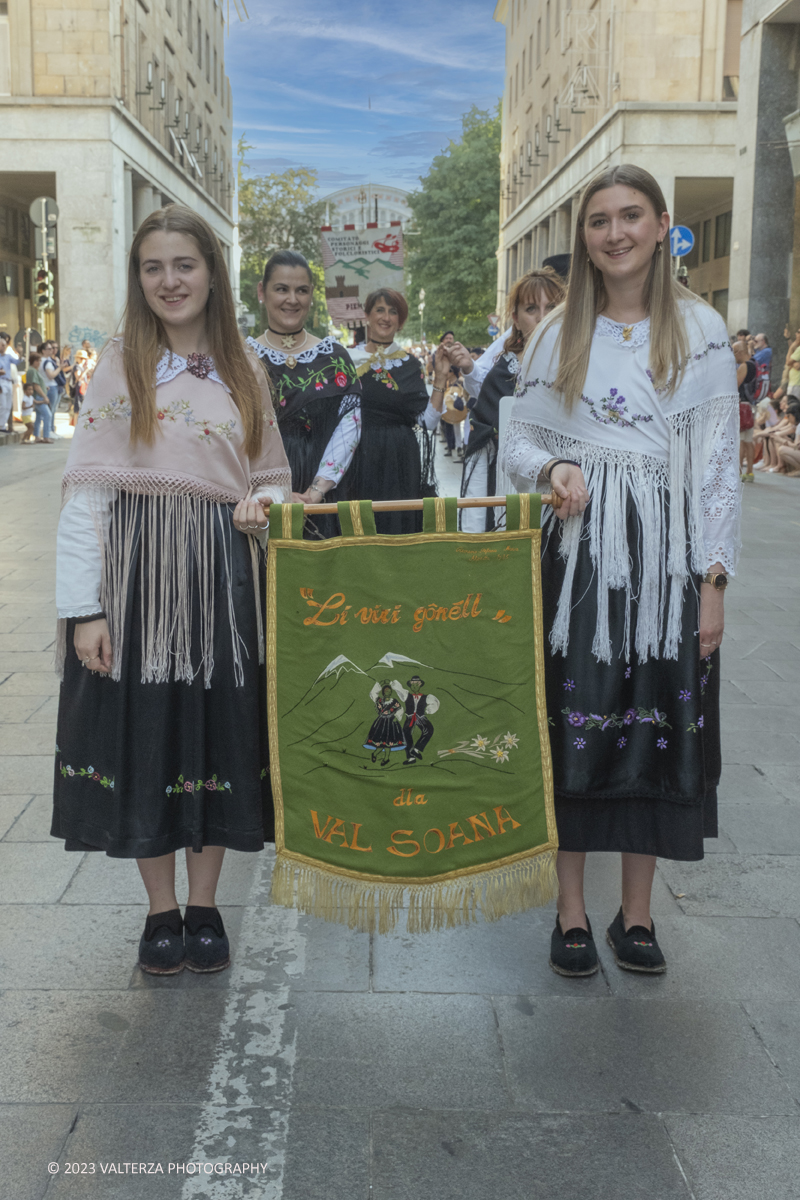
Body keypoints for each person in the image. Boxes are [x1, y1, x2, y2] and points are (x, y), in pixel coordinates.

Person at [501, 164, 740, 977]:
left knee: (656, 725)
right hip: (579, 560)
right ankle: (570, 910)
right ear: (585, 238)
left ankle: (634, 914)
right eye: (599, 221)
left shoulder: (703, 331)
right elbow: (518, 442)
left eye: (630, 216)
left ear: (663, 224)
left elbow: (716, 469)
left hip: (668, 559)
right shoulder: (555, 332)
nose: (615, 233)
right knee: (575, 723)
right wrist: (554, 470)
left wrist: (714, 583)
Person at [50, 205, 291, 977]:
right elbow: (87, 491)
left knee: (217, 728)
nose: (169, 281)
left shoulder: (245, 365)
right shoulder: (122, 362)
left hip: (223, 578)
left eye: (183, 264)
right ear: (138, 278)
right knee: (146, 732)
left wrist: (263, 510)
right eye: (152, 267)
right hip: (136, 583)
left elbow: (275, 482)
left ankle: (208, 902)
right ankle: (160, 911)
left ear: (212, 272)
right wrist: (83, 610)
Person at [246, 249, 361, 539]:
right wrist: (260, 492)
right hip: (256, 496)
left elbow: (350, 426)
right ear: (262, 291)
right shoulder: (241, 359)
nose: (292, 299)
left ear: (312, 295)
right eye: (281, 289)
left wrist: (315, 491)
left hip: (323, 494)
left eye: (302, 290)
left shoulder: (335, 357)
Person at [457, 267, 566, 532]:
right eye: (531, 309)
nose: (542, 318)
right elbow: (484, 445)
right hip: (513, 494)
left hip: (569, 492)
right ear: (516, 319)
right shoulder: (503, 371)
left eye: (551, 307)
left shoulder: (583, 365)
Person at [347, 288, 443, 534]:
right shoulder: (346, 360)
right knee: (359, 527)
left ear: (400, 322)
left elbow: (428, 423)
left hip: (400, 458)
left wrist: (441, 378)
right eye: (380, 310)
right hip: (357, 455)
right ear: (367, 315)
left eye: (393, 312)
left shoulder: (410, 364)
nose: (386, 317)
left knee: (398, 528)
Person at [733, 339, 757, 482]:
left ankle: (739, 470)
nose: (733, 355)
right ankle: (750, 472)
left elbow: (735, 384)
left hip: (741, 407)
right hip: (751, 406)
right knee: (748, 441)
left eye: (734, 352)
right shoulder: (754, 364)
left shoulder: (744, 366)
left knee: (740, 440)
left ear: (741, 352)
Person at [25, 353, 53, 443]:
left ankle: (37, 436)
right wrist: (45, 396)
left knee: (39, 417)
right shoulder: (32, 371)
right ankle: (46, 436)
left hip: (37, 396)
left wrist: (45, 387)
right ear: (34, 361)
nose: (40, 362)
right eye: (38, 361)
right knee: (48, 415)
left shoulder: (33, 370)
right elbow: (36, 385)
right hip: (38, 396)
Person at [0, 334, 14, 432]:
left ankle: (3, 425)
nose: (5, 346)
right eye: (2, 344)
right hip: (2, 381)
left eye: (6, 343)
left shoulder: (8, 355)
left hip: (9, 381)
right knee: (3, 404)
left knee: (8, 405)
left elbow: (18, 361)